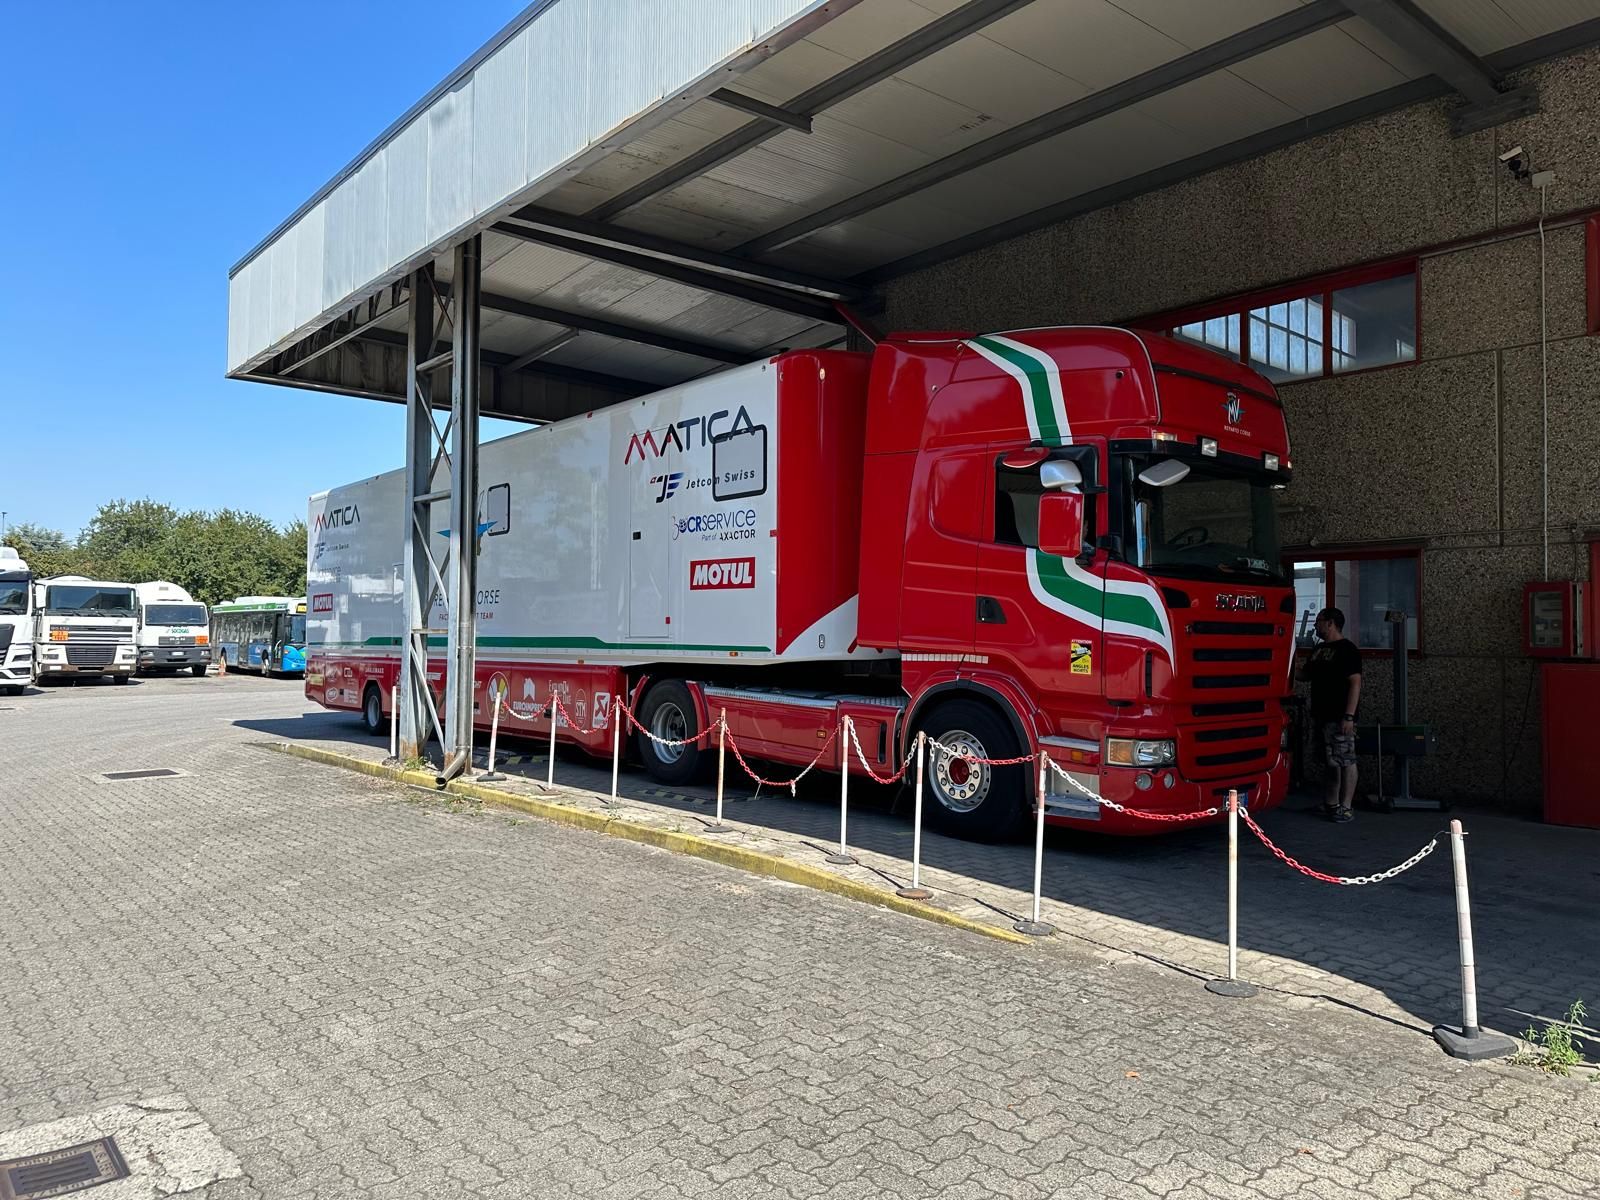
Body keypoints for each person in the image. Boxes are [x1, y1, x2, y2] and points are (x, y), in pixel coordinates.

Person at [1300, 607, 1362, 822]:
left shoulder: (1347, 650)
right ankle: (1331, 803)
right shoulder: (1318, 649)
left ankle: (1346, 806)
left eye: (1319, 620)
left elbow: (1355, 682)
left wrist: (1349, 716)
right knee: (1330, 761)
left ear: (1330, 623)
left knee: (1346, 759)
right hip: (1320, 714)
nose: (1315, 625)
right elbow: (1305, 674)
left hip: (1339, 715)